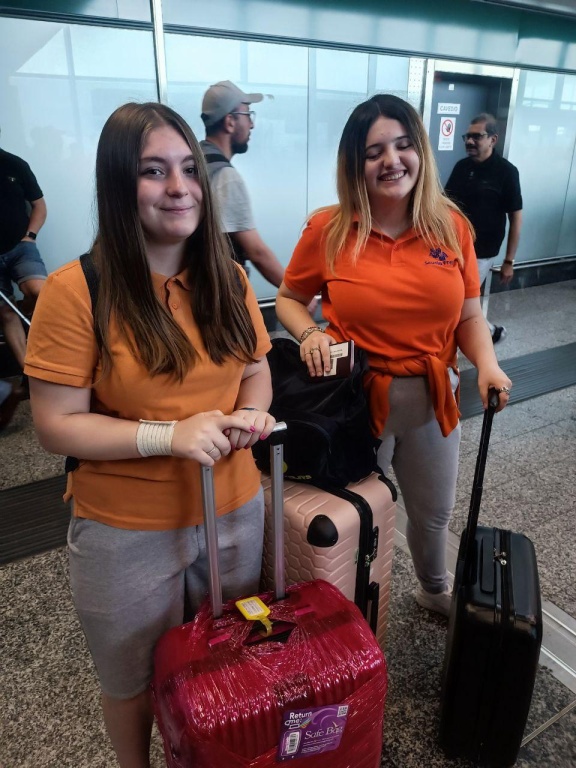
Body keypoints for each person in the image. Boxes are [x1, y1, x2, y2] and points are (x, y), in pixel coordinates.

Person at [24, 102, 275, 768]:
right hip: (125, 528)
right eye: (153, 171)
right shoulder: (77, 291)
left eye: (189, 169)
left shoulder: (227, 276)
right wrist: (167, 436)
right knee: (131, 679)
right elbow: (55, 425)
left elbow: (256, 371)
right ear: (118, 184)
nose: (179, 188)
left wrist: (252, 414)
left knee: (225, 659)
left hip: (234, 507)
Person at [276, 94, 512, 619]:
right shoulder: (328, 229)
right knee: (363, 514)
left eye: (403, 145)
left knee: (433, 513)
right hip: (356, 401)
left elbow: (469, 317)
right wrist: (310, 334)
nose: (392, 160)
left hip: (433, 398)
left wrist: (488, 365)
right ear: (354, 163)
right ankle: (355, 611)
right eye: (374, 151)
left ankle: (433, 588)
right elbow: (290, 298)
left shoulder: (450, 226)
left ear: (420, 151)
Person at [199, 80, 285, 287]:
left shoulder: (196, 161)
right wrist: (297, 294)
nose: (252, 124)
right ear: (230, 121)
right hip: (220, 294)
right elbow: (257, 253)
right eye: (248, 115)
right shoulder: (226, 177)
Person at [445, 113, 522, 344]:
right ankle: (489, 332)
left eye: (477, 136)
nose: (469, 141)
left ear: (493, 139)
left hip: (482, 251)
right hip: (453, 246)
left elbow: (516, 217)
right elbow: (446, 205)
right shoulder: (461, 167)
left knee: (460, 300)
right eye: (467, 136)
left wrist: (509, 261)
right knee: (456, 297)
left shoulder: (506, 172)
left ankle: (472, 340)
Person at [0, 134, 48, 369]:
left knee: (43, 294)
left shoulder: (15, 164)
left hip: (20, 248)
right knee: (5, 311)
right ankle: (29, 371)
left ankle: (27, 308)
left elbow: (39, 205)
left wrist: (30, 237)